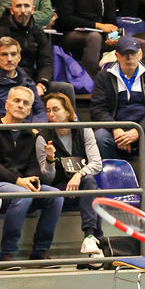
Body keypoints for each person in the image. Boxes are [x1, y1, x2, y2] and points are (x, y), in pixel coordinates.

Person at [0, 84, 63, 263]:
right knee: (22, 195)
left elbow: (32, 165)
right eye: (16, 101)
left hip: (17, 182)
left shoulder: (30, 134)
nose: (20, 105)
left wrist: (32, 179)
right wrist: (19, 181)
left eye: (25, 103)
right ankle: (7, 254)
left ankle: (40, 251)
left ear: (30, 109)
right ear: (6, 104)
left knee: (56, 196)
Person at [35, 91, 104, 259]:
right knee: (92, 193)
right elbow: (47, 178)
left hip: (81, 184)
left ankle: (89, 237)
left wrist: (78, 175)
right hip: (58, 187)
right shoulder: (43, 137)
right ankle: (96, 242)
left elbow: (97, 163)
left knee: (89, 183)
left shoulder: (83, 130)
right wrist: (50, 160)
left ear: (68, 111)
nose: (51, 114)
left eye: (56, 109)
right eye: (48, 110)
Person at [90, 36, 145, 161]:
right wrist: (115, 129)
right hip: (114, 130)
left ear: (140, 54)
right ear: (117, 55)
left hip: (144, 128)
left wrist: (138, 131)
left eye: (133, 53)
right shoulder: (104, 76)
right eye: (124, 54)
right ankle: (110, 176)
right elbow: (98, 109)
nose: (129, 58)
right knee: (100, 137)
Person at [0, 0, 73, 108]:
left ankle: (73, 124)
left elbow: (46, 62)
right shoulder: (1, 33)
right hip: (10, 81)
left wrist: (41, 84)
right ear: (11, 10)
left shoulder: (38, 33)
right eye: (18, 6)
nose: (23, 10)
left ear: (33, 9)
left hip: (34, 80)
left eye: (26, 6)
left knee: (66, 89)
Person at [0, 37, 43, 126]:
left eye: (13, 54)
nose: (9, 59)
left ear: (19, 57)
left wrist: (35, 129)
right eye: (4, 54)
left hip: (28, 132)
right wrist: (13, 127)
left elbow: (40, 111)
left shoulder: (28, 82)